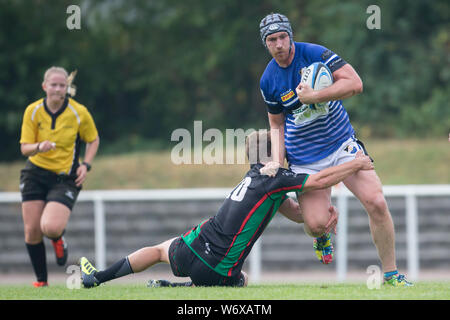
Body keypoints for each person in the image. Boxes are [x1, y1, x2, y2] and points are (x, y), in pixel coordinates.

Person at [79, 130, 373, 288]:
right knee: (243, 281)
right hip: (215, 269)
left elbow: (297, 214)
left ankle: (99, 277)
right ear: (273, 154)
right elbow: (320, 179)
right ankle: (189, 288)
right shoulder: (275, 179)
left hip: (190, 248)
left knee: (157, 251)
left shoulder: (254, 179)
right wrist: (356, 164)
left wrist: (318, 223)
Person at [258, 13, 412, 286]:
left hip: (341, 144)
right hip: (304, 158)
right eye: (272, 40)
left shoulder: (315, 54)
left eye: (283, 36)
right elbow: (277, 125)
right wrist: (276, 162)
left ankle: (391, 275)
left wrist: (314, 96)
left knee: (376, 202)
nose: (279, 43)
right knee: (315, 224)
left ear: (290, 36)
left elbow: (355, 83)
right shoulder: (268, 80)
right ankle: (321, 236)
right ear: (266, 44)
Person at [19, 66, 100, 287]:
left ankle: (58, 238)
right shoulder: (33, 111)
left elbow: (93, 140)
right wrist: (39, 146)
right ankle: (41, 282)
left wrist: (86, 165)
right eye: (53, 85)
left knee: (51, 227)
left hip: (64, 177)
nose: (57, 89)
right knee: (32, 231)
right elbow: (25, 148)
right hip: (35, 173)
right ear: (44, 86)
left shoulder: (78, 112)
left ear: (67, 88)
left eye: (62, 85)